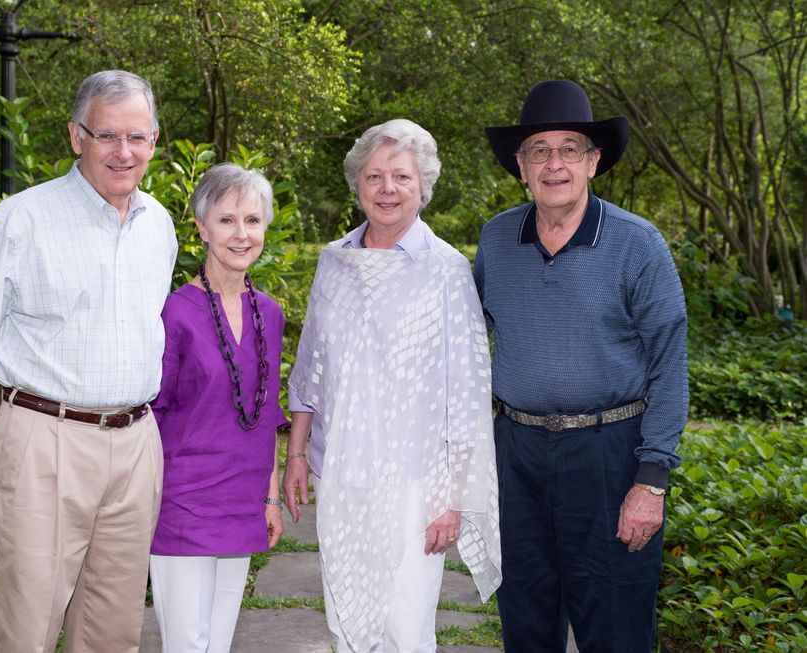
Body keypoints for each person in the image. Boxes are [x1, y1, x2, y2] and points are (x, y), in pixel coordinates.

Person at [0, 70, 177, 653]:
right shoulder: (17, 223)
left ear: (154, 141)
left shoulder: (161, 226)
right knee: (24, 630)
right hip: (42, 446)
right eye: (106, 136)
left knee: (113, 631)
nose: (123, 153)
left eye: (137, 137)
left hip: (136, 444)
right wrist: (8, 443)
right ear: (76, 137)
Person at [475, 79, 688, 652]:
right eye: (538, 151)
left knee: (615, 629)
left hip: (609, 457)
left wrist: (652, 481)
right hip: (516, 457)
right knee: (526, 622)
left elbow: (670, 367)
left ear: (593, 162)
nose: (554, 164)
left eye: (570, 148)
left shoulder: (638, 244)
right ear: (520, 167)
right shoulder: (496, 241)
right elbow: (463, 344)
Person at [282, 119, 501, 653]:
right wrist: (294, 456)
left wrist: (451, 499)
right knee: (347, 619)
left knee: (406, 628)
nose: (386, 189)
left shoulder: (446, 270)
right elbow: (311, 368)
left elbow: (467, 393)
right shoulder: (334, 263)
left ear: (423, 186)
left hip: (417, 480)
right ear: (357, 183)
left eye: (401, 177)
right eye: (374, 176)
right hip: (345, 472)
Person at [148, 163, 287, 652]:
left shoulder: (270, 313)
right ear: (202, 228)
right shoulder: (174, 311)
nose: (241, 234)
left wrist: (270, 497)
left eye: (252, 220)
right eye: (227, 220)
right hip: (181, 501)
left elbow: (266, 415)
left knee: (219, 642)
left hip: (242, 500)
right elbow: (151, 414)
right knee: (187, 644)